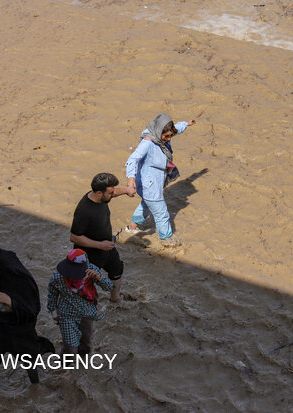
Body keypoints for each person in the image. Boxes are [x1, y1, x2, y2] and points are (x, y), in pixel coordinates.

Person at [0, 249, 55, 385]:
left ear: (0, 268)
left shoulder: (22, 282)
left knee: (30, 364)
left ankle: (36, 389)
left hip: (19, 333)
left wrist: (10, 301)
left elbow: (31, 311)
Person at [125, 113, 196, 247]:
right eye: (166, 136)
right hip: (149, 184)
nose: (169, 139)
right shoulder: (148, 143)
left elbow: (176, 129)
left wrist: (186, 123)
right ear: (159, 132)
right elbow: (132, 160)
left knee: (146, 204)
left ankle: (132, 227)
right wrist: (130, 179)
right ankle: (167, 240)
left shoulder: (161, 135)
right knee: (162, 213)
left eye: (170, 136)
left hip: (153, 182)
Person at [70, 172, 134, 303]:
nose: (113, 194)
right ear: (100, 193)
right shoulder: (84, 211)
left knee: (117, 270)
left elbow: (114, 192)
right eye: (110, 193)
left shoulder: (101, 196)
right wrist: (100, 245)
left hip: (107, 248)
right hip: (90, 255)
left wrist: (127, 190)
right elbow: (74, 237)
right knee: (84, 287)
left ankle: (115, 298)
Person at [47, 249, 113, 355]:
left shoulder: (91, 271)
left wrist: (98, 278)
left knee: (86, 343)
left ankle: (82, 366)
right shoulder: (57, 276)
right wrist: (54, 313)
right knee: (70, 345)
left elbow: (109, 287)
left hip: (87, 313)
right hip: (67, 315)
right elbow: (52, 295)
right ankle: (66, 366)